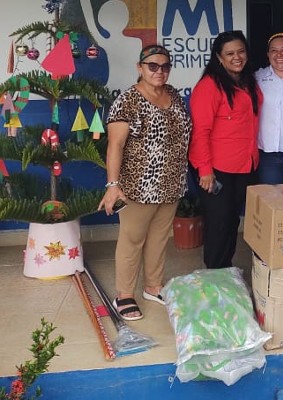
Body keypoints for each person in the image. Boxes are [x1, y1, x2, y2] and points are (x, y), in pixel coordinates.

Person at [98, 44, 191, 321]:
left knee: (160, 238)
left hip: (171, 182)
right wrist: (113, 184)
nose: (159, 71)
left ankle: (153, 286)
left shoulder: (172, 94)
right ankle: (124, 295)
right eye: (153, 66)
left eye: (165, 66)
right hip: (138, 186)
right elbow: (115, 145)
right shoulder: (128, 100)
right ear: (140, 68)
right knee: (132, 240)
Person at [188, 30, 262, 269]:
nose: (237, 57)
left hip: (245, 164)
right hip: (217, 169)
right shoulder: (209, 86)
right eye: (230, 53)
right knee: (218, 224)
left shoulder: (248, 81)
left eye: (241, 51)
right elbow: (200, 131)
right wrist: (205, 170)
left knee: (231, 222)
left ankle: (225, 270)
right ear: (219, 58)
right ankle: (215, 276)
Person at [255, 32, 283, 185]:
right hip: (268, 154)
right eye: (274, 50)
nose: (279, 55)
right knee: (272, 200)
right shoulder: (257, 77)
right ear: (268, 54)